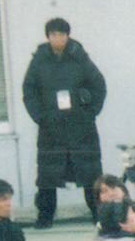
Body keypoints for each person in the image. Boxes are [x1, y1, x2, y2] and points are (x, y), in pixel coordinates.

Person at [21, 17, 107, 228]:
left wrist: (90, 113)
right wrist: (40, 117)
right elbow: (29, 90)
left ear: (68, 36)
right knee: (47, 174)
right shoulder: (39, 59)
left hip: (80, 125)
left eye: (61, 34)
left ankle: (98, 214)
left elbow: (99, 84)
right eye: (53, 34)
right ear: (48, 37)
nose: (57, 38)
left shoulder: (79, 57)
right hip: (51, 126)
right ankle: (45, 216)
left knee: (90, 171)